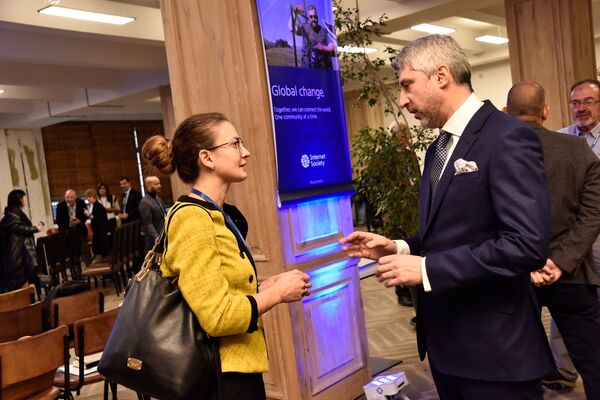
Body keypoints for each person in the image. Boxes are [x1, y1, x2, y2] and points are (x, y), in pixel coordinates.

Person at [341, 34, 553, 399]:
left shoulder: (507, 137)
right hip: (447, 349)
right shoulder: (439, 146)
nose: (403, 100)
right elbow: (452, 233)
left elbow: (526, 245)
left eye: (407, 85)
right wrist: (399, 247)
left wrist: (426, 270)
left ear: (441, 75)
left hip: (495, 353)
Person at [141, 112, 311, 400]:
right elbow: (217, 317)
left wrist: (261, 289)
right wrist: (278, 293)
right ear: (206, 158)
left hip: (234, 367)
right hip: (215, 378)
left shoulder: (216, 214)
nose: (245, 151)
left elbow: (212, 292)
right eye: (234, 144)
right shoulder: (192, 220)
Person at [505, 81, 600, 399]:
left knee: (516, 364)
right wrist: (559, 261)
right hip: (571, 275)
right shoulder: (575, 149)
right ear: (545, 111)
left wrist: (526, 261)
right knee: (594, 362)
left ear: (507, 112)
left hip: (512, 276)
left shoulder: (494, 152)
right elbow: (592, 213)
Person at [546, 78, 600, 390]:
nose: (581, 108)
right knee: (566, 310)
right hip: (571, 245)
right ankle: (564, 371)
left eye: (588, 102)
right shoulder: (560, 139)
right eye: (575, 103)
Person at [0, 190, 43, 293]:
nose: (26, 200)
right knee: (19, 288)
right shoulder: (10, 217)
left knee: (24, 285)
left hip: (19, 258)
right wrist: (35, 228)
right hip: (14, 260)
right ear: (20, 200)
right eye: (24, 197)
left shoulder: (16, 215)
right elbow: (20, 229)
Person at [289, 4, 336, 69]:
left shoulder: (323, 31)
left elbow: (332, 46)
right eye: (311, 17)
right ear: (308, 18)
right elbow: (291, 27)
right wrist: (295, 13)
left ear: (317, 17)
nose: (313, 19)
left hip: (321, 69)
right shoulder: (305, 28)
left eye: (315, 17)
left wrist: (324, 48)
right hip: (307, 68)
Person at [138, 175, 166, 251]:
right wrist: (156, 237)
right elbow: (148, 224)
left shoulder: (158, 199)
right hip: (154, 242)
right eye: (156, 184)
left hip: (163, 238)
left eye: (159, 183)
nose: (160, 186)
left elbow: (164, 216)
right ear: (148, 186)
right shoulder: (144, 202)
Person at [84, 188, 110, 258]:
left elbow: (97, 219)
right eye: (87, 197)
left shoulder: (98, 206)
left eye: (89, 197)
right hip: (99, 233)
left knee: (98, 251)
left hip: (100, 234)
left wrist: (89, 215)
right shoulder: (95, 206)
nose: (88, 199)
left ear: (94, 196)